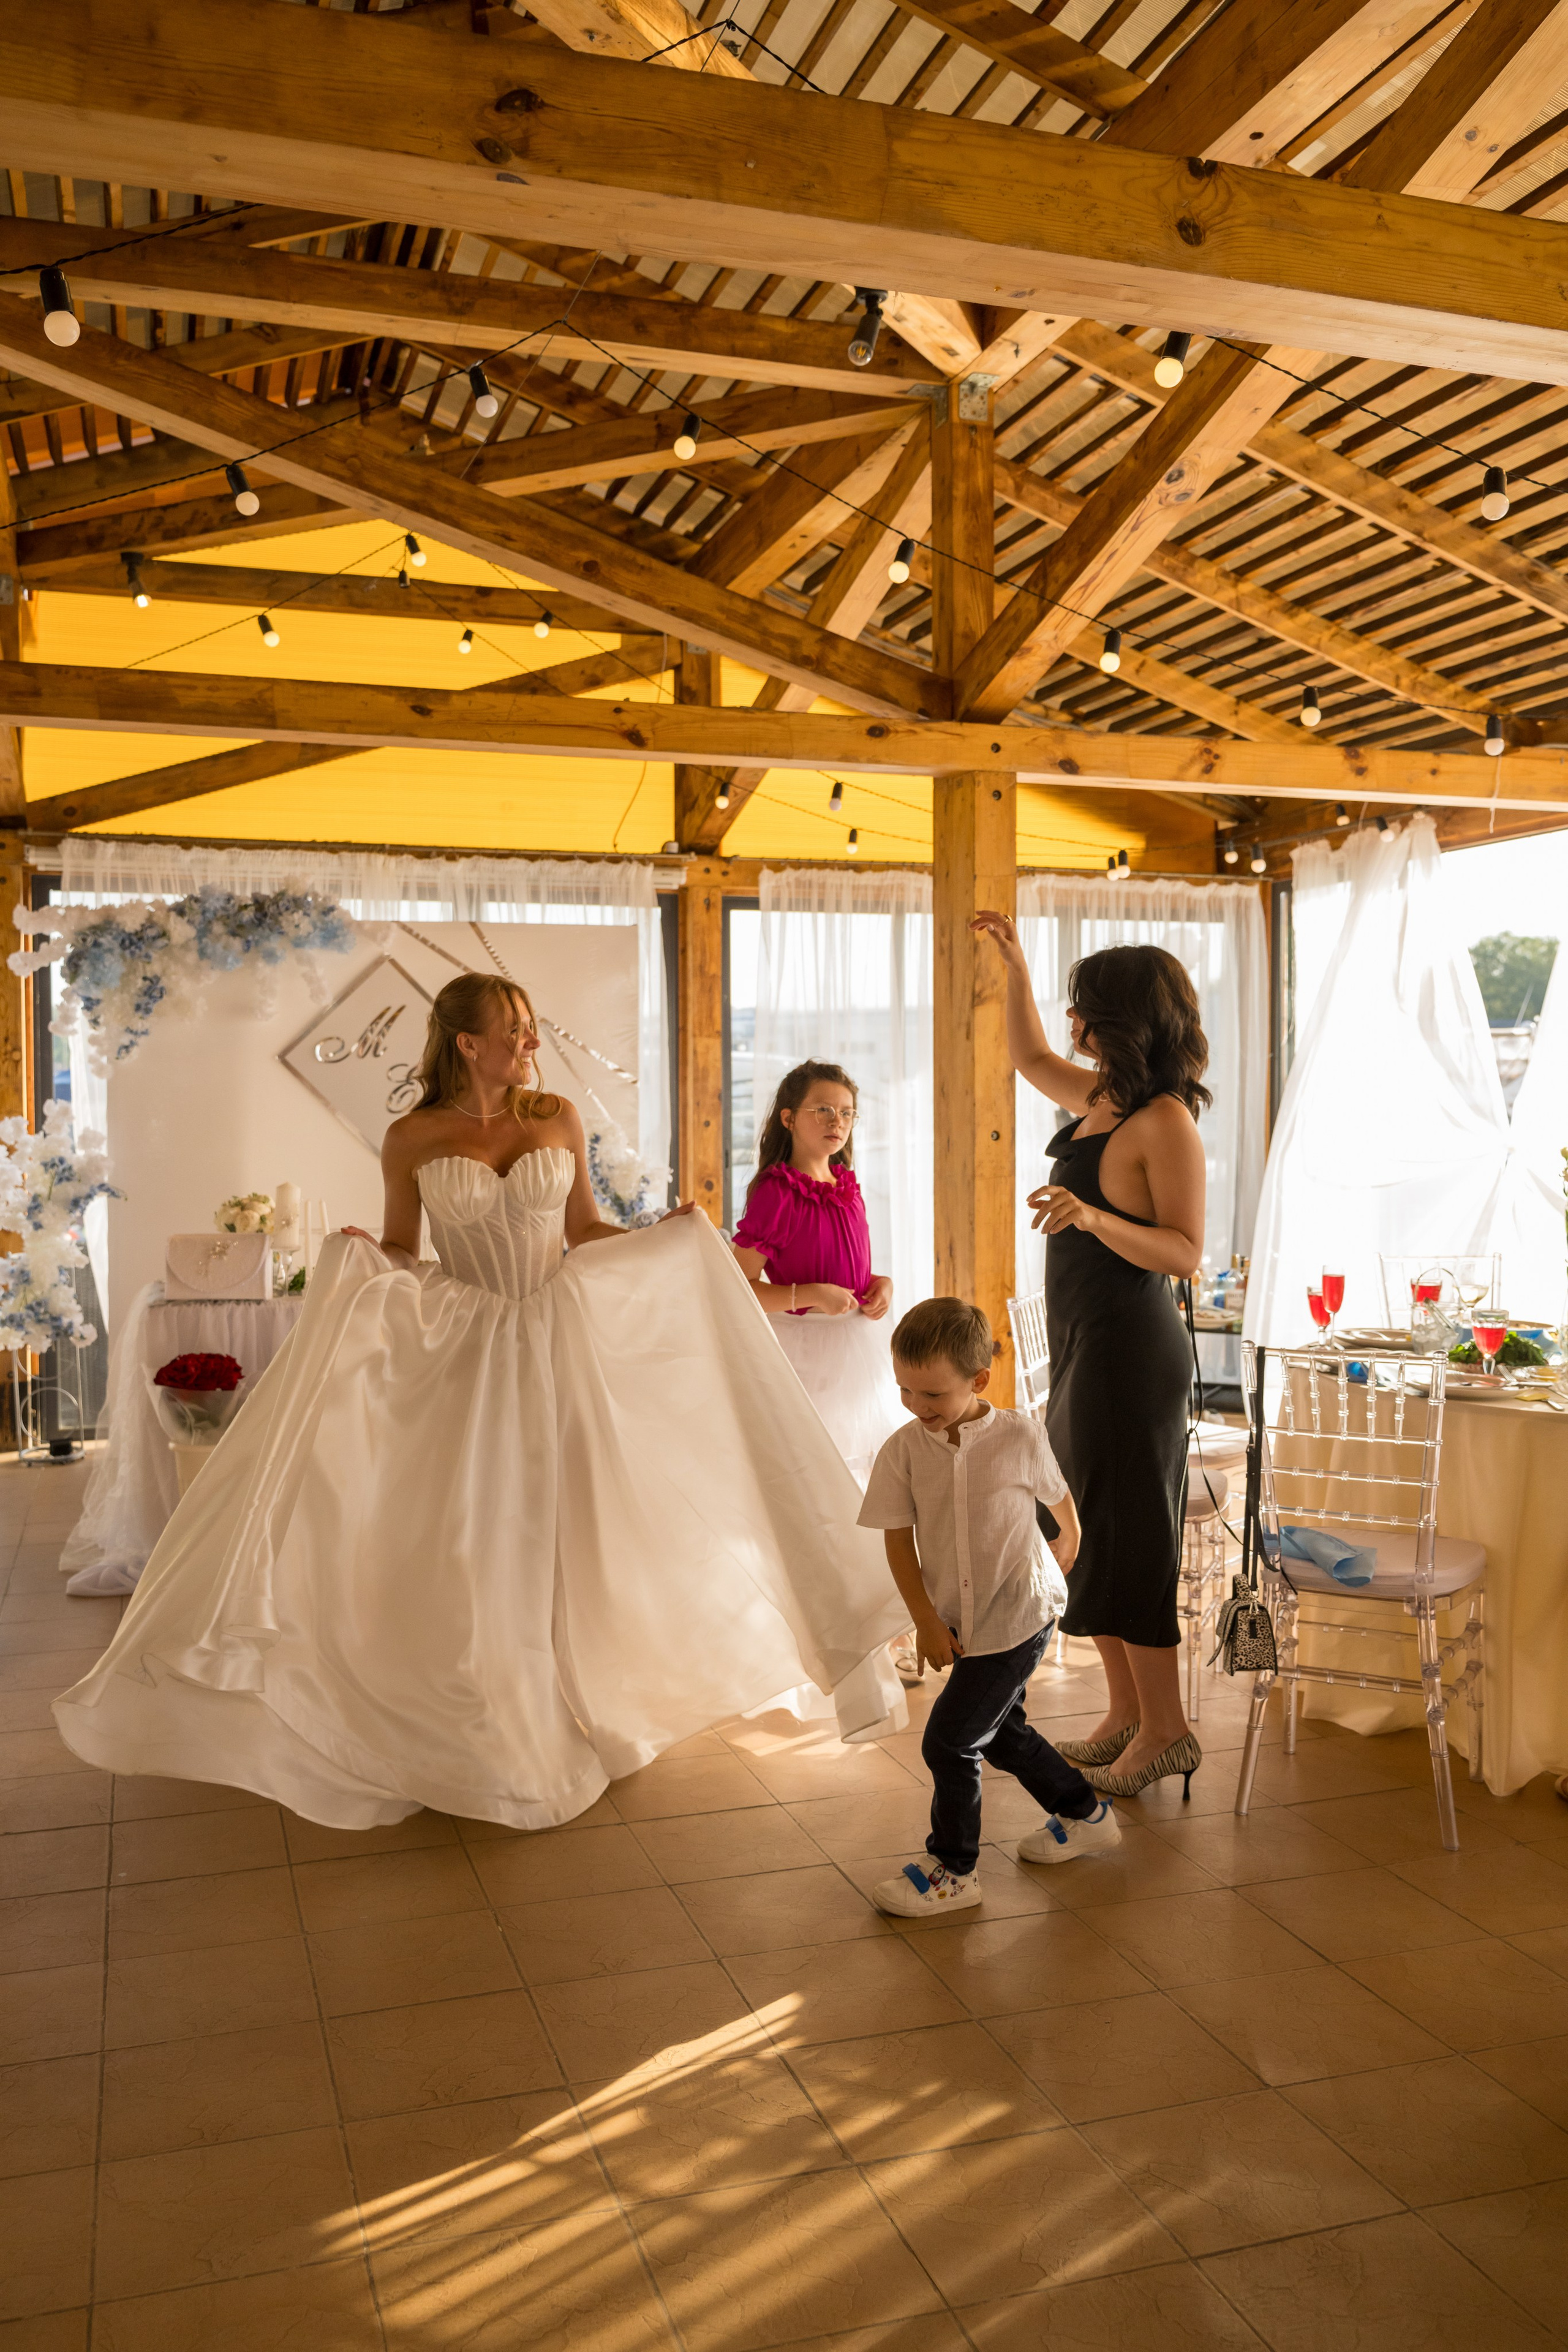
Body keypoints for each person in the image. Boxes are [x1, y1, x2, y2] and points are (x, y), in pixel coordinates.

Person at [54, 974, 910, 1831]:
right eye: (515, 1029)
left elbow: (583, 1231)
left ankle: (582, 1689)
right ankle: (492, 1709)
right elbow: (402, 1246)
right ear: (468, 1043)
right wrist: (365, 1255)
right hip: (466, 1341)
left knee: (577, 1518)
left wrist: (668, 1236)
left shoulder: (556, 1117)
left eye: (532, 1026)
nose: (532, 1042)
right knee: (482, 1529)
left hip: (556, 1333)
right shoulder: (412, 1136)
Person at [973, 916, 1207, 1803]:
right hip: (1084, 1348)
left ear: (1119, 1018)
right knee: (1093, 1534)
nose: (1071, 1021)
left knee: (1131, 1537)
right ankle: (1127, 1716)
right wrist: (1015, 968)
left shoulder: (1163, 1120)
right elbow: (1029, 1057)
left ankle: (1169, 1730)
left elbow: (1185, 1251)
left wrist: (1094, 1217)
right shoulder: (1101, 1097)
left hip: (1131, 1355)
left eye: (1083, 1006)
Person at [859, 1297, 1120, 1917]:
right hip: (958, 1617)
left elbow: (1057, 1493)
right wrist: (925, 1620)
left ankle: (955, 1870)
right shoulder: (902, 1451)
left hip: (1020, 1612)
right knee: (1001, 1734)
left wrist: (1071, 1536)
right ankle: (1085, 1814)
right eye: (905, 1390)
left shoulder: (1019, 1436)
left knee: (950, 1741)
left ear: (978, 1381)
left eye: (933, 1394)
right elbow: (897, 1541)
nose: (917, 1406)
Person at [732, 1061, 915, 1688]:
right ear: (789, 1118)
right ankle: (828, 1631)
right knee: (822, 1491)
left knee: (872, 1490)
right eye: (823, 1110)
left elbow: (854, 1267)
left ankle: (884, 1628)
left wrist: (880, 1284)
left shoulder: (846, 1183)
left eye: (847, 1113)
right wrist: (805, 1294)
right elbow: (737, 1284)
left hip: (857, 1353)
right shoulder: (776, 1191)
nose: (838, 1122)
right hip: (805, 1356)